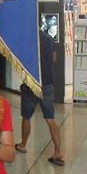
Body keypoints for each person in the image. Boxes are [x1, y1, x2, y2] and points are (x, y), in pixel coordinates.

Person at [16, 30, 64, 166]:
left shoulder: (26, 39)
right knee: (50, 118)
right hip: (48, 82)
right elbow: (54, 58)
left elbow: (21, 61)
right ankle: (58, 152)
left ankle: (23, 145)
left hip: (31, 83)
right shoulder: (49, 39)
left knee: (26, 116)